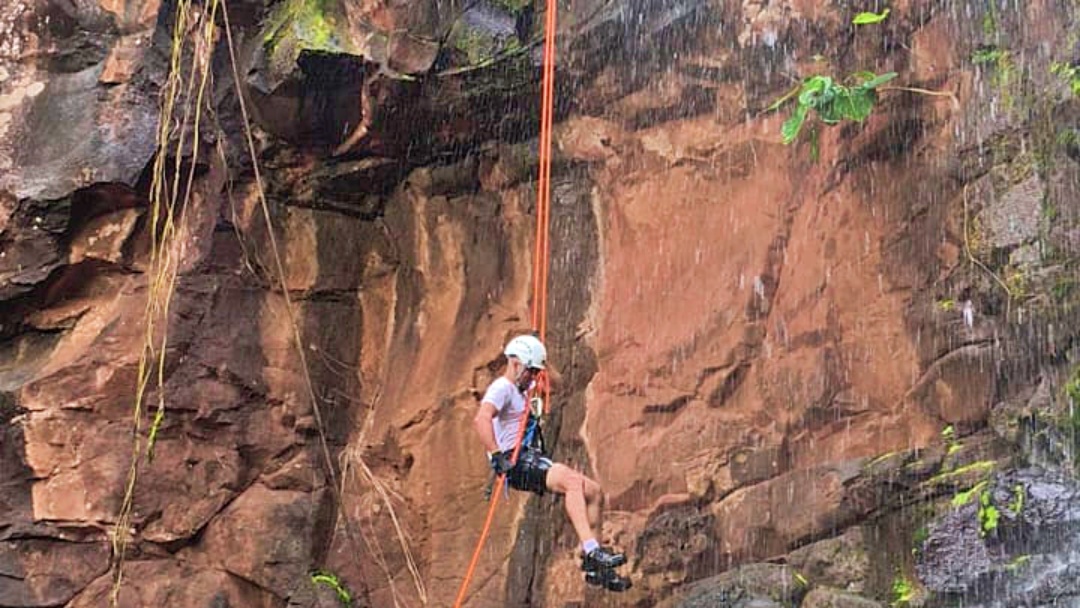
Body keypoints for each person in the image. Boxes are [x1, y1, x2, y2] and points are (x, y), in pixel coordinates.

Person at [472, 334, 628, 581]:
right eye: (529, 371)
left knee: (595, 492)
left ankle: (593, 563)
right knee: (572, 483)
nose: (532, 376)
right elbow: (482, 418)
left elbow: (557, 385)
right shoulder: (503, 388)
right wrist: (496, 453)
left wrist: (542, 360)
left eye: (535, 372)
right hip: (515, 461)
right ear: (514, 364)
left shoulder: (525, 387)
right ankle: (591, 549)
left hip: (531, 457)